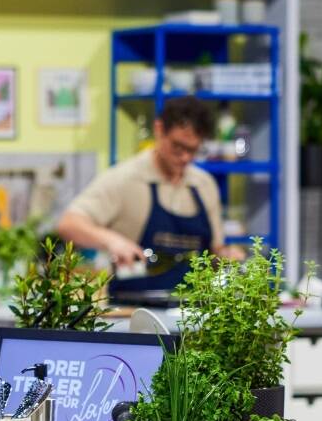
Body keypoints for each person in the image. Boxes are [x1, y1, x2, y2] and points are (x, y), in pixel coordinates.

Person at [57, 96, 242, 294]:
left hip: (193, 312)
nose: (185, 157)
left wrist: (228, 256)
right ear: (159, 130)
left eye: (193, 150)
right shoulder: (124, 178)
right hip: (133, 312)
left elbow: (216, 250)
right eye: (178, 147)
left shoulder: (204, 185)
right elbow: (69, 224)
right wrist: (113, 241)